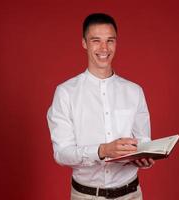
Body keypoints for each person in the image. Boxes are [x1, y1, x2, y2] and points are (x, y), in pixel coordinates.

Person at [47, 13, 154, 200]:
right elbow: (62, 153)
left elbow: (143, 140)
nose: (104, 48)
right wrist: (102, 151)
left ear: (116, 43)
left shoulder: (134, 91)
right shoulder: (65, 93)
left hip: (131, 195)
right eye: (96, 40)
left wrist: (143, 157)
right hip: (85, 196)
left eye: (110, 41)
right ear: (84, 43)